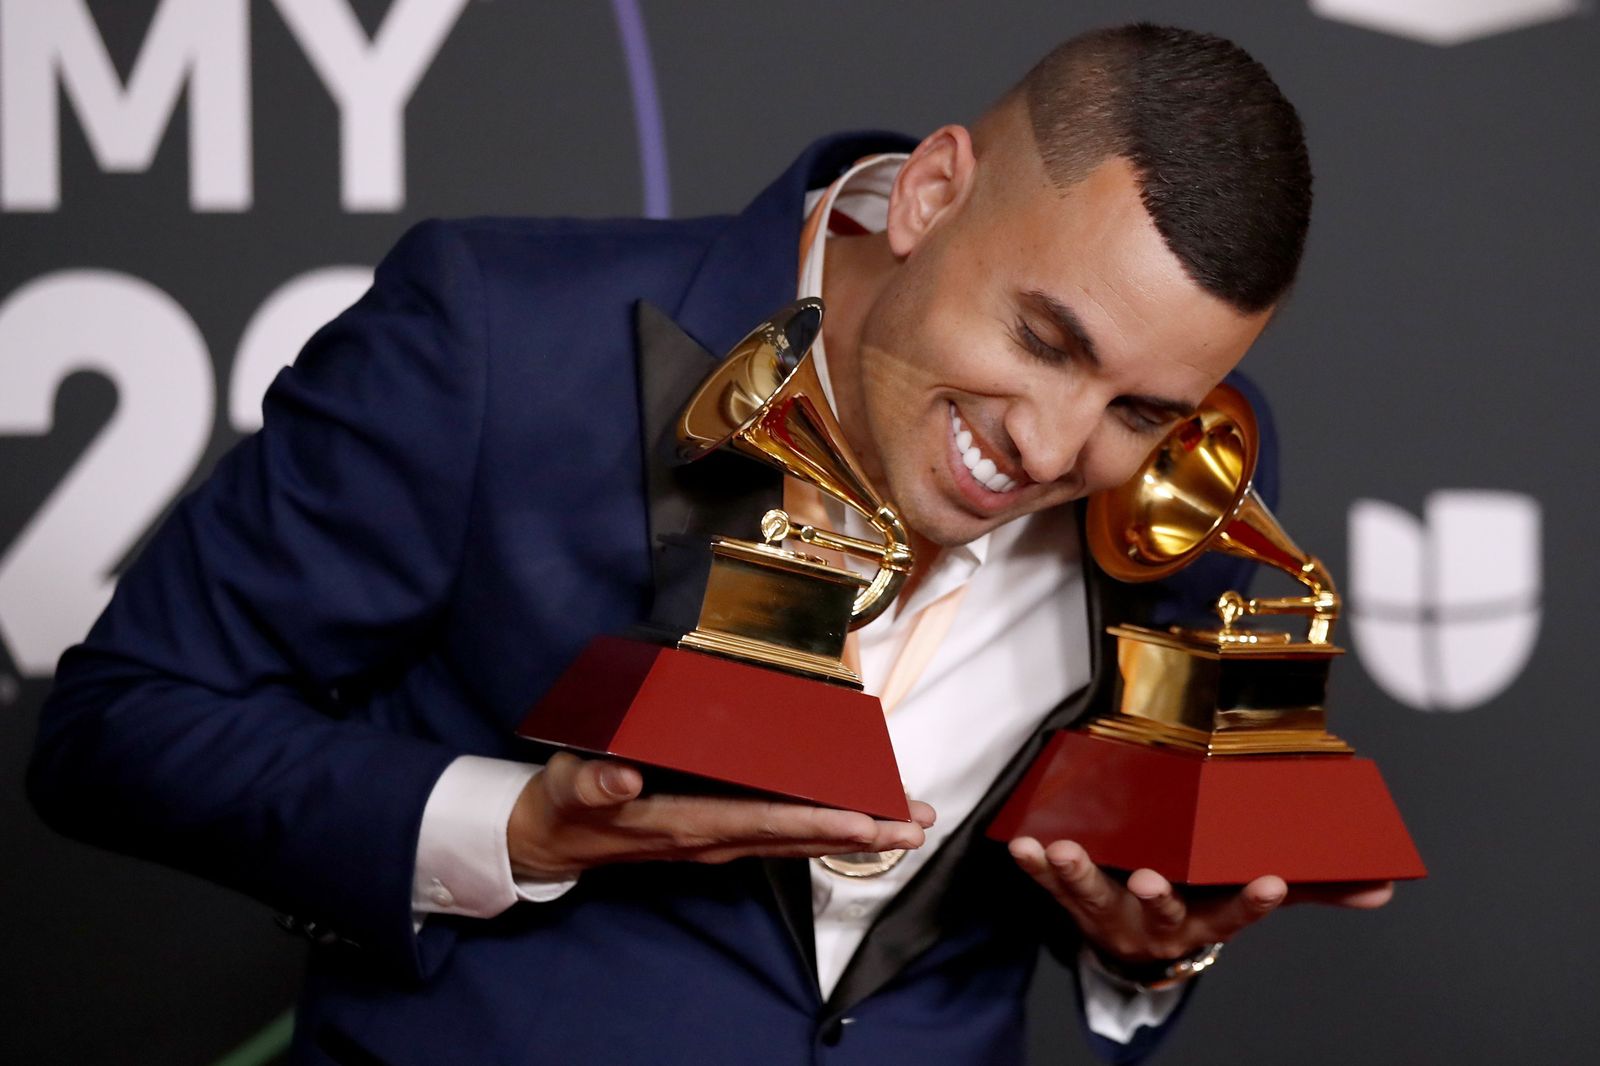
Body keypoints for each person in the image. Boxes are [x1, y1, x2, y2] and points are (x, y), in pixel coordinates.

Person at [29, 23, 1391, 1066]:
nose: (1052, 446)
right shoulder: (498, 338)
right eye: (1043, 339)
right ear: (927, 195)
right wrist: (519, 824)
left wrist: (1136, 951)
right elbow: (119, 724)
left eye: (1141, 407)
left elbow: (1046, 883)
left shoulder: (1203, 460)